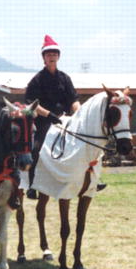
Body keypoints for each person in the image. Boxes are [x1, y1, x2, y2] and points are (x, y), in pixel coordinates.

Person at [24, 35, 83, 199]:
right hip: (44, 121)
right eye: (48, 54)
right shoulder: (37, 80)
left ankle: (90, 179)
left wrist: (79, 113)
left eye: (54, 54)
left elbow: (73, 100)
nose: (52, 57)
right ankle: (32, 184)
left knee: (82, 144)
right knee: (36, 148)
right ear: (44, 58)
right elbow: (31, 103)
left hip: (65, 120)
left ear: (58, 57)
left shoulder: (65, 78)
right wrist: (49, 115)